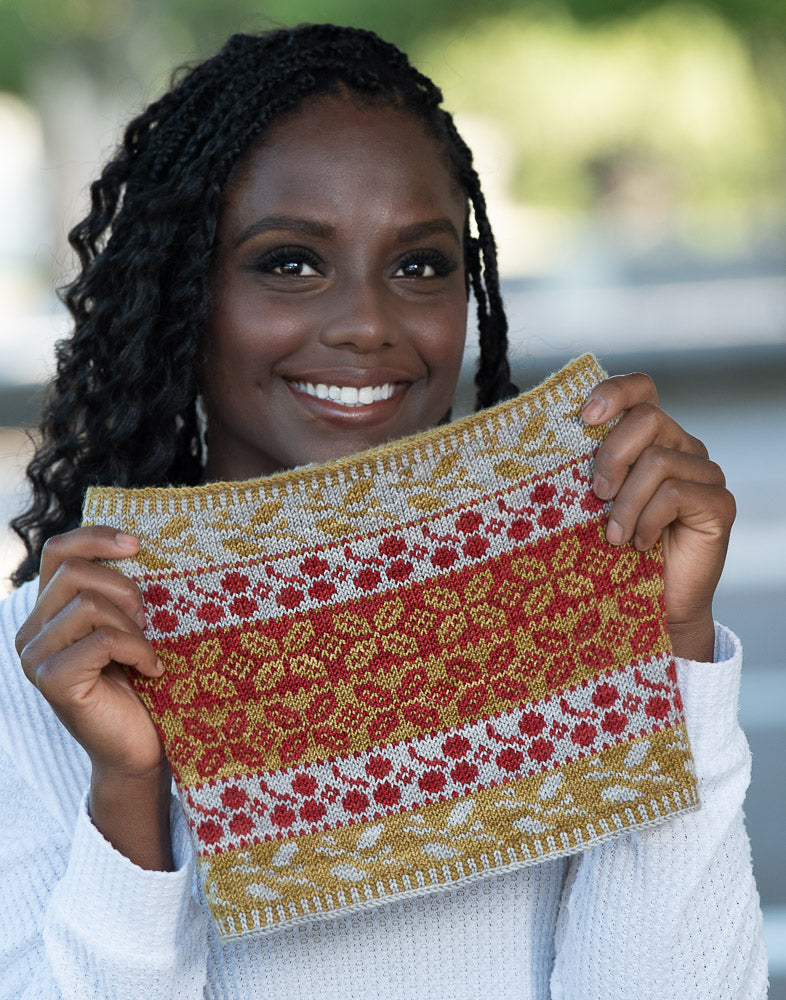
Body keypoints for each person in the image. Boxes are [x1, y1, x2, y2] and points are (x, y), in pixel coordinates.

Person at [0, 23, 767, 999]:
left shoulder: (557, 618)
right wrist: (128, 795)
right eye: (289, 262)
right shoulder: (45, 675)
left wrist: (671, 653)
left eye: (419, 266)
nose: (368, 322)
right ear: (182, 295)